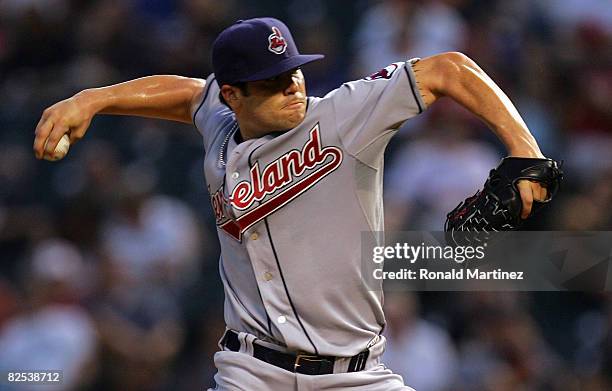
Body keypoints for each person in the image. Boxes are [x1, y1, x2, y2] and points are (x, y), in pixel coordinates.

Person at [33, 17, 549, 391]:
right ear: (233, 96)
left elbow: (448, 69)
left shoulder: (344, 117)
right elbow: (188, 93)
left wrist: (525, 149)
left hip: (357, 376)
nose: (292, 88)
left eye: (294, 72)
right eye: (272, 82)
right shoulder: (218, 116)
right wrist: (94, 99)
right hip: (251, 373)